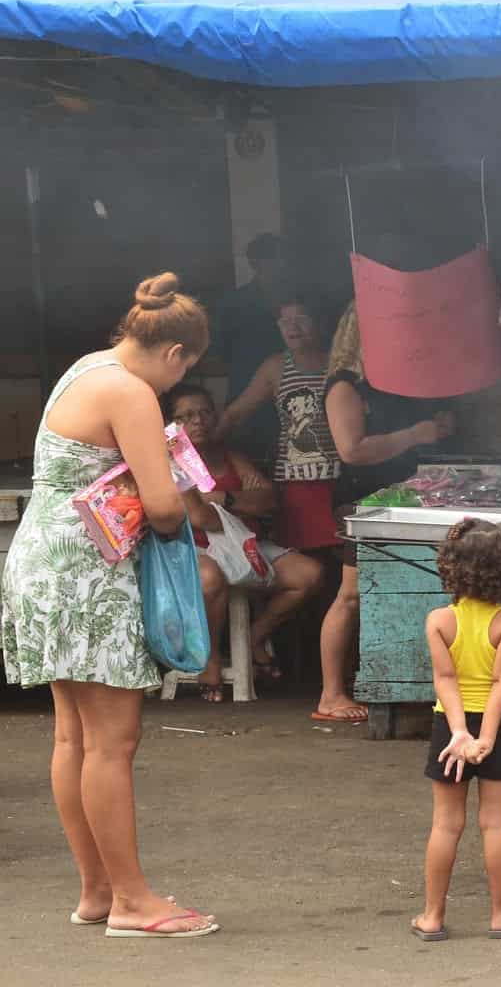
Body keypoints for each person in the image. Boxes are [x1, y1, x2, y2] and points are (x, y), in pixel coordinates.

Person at [1, 273, 218, 937]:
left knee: (75, 735)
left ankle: (98, 890)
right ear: (176, 354)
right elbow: (158, 507)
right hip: (88, 579)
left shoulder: (85, 370)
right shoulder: (130, 393)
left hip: (42, 565)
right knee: (113, 742)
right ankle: (130, 899)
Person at [318, 304, 455, 724]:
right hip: (362, 503)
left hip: (398, 500)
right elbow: (352, 450)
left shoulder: (389, 387)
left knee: (394, 588)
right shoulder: (344, 387)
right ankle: (330, 695)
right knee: (351, 595)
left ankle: (402, 681)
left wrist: (435, 428)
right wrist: (416, 433)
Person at [411, 518, 501, 942]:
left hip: (448, 730)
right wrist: (485, 737)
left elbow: (445, 680)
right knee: (495, 824)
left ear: (450, 566)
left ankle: (432, 917)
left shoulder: (438, 620)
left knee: (446, 824)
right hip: (496, 726)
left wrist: (459, 734)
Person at [164, 383, 325, 700]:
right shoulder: (171, 463)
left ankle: (254, 637)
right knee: (210, 579)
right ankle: (208, 658)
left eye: (204, 413)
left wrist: (221, 497)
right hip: (191, 546)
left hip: (241, 543)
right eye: (186, 416)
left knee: (310, 575)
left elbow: (268, 499)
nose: (198, 421)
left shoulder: (230, 457)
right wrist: (240, 500)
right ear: (172, 425)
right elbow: (200, 520)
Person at [215, 297, 342, 554]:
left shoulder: (339, 363)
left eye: (301, 320)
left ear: (320, 324)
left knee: (342, 555)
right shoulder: (275, 367)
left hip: (340, 482)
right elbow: (234, 415)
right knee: (302, 555)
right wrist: (203, 453)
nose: (292, 327)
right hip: (294, 484)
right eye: (285, 321)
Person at [216, 233, 294, 466]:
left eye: (282, 258)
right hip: (245, 398)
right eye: (270, 258)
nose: (278, 264)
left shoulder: (297, 302)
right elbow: (219, 354)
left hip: (291, 395)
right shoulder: (234, 303)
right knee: (249, 469)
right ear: (254, 263)